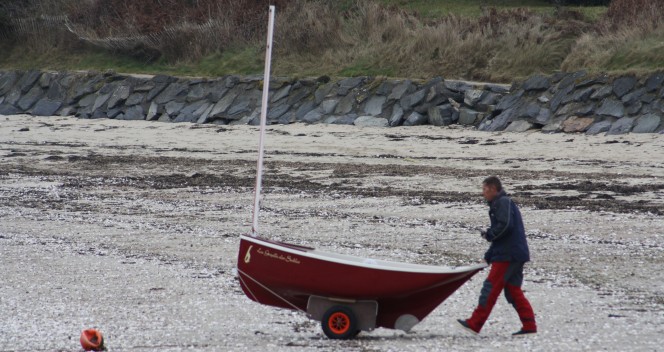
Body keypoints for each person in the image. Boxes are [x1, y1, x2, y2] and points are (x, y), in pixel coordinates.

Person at [458, 176, 537, 336]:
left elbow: (505, 227)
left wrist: (489, 234)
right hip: (515, 253)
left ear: (493, 189)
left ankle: (475, 323)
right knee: (513, 290)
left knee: (490, 288)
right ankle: (529, 326)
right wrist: (488, 256)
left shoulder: (502, 202)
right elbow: (501, 235)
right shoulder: (500, 203)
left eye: (485, 190)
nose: (483, 193)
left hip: (508, 255)